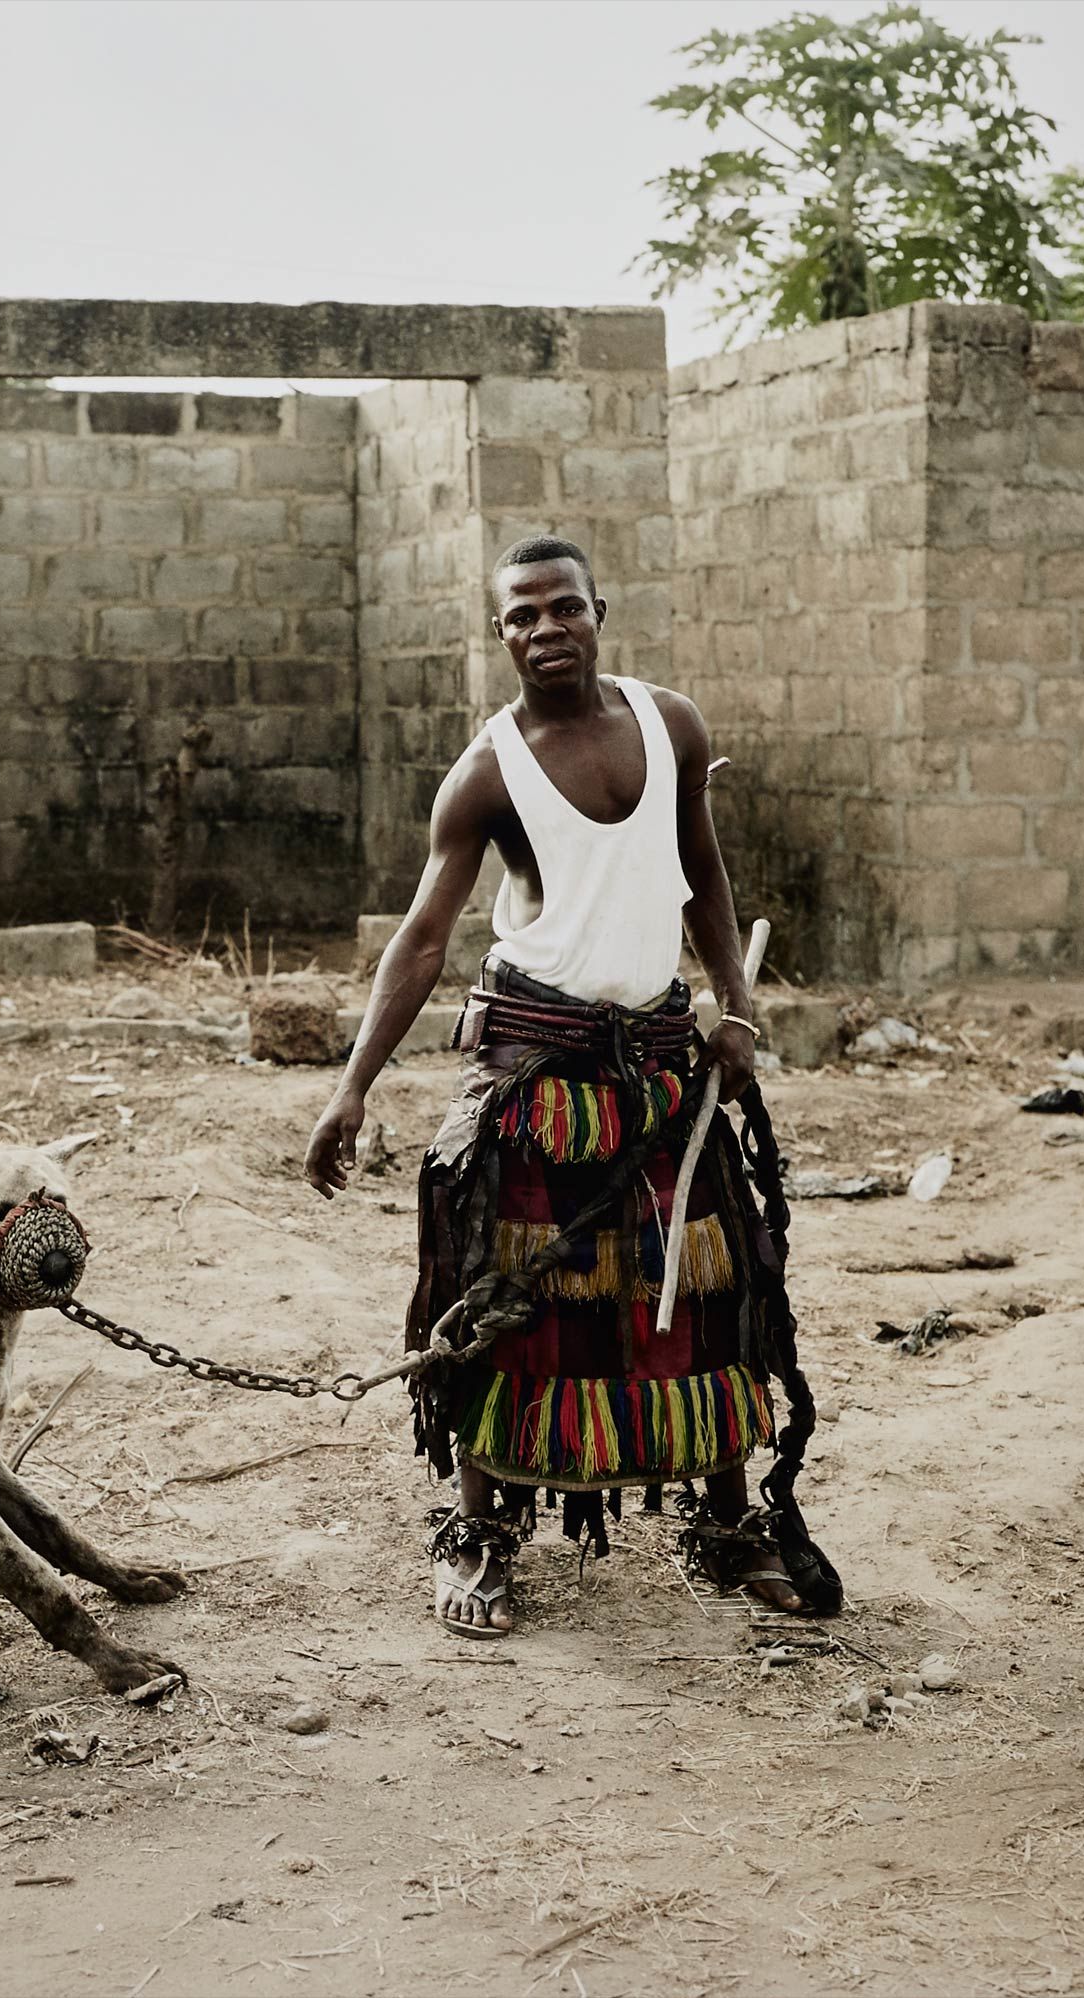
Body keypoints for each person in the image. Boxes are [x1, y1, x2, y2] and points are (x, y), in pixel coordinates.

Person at [304, 535, 836, 1638]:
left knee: (699, 1293)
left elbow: (700, 868)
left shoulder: (670, 725)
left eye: (561, 609)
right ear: (498, 635)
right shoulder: (487, 771)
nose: (543, 631)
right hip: (535, 1072)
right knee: (508, 1303)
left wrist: (733, 1000)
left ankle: (727, 1523)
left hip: (656, 1066)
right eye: (518, 618)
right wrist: (350, 1088)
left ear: (599, 609)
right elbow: (420, 940)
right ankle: (481, 1530)